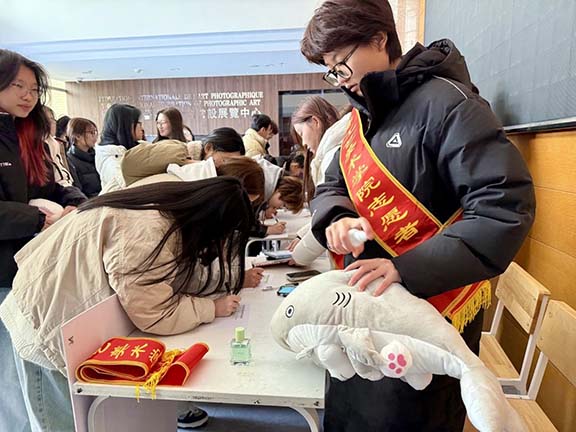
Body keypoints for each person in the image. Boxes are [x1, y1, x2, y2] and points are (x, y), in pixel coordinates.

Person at [301, 1, 536, 431]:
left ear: (379, 38)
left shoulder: (451, 105)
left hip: (429, 314)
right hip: (364, 304)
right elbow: (333, 186)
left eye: (341, 63)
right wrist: (337, 217)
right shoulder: (361, 117)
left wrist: (405, 268)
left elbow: (503, 206)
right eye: (330, 71)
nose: (341, 78)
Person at [0, 177, 257, 431]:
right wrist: (211, 308)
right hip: (42, 324)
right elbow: (155, 313)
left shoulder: (165, 212)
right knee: (60, 423)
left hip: (60, 315)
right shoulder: (147, 231)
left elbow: (170, 277)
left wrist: (230, 280)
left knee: (78, 417)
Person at [0, 48, 86, 432]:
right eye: (17, 85)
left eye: (34, 89)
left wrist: (76, 203)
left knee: (32, 363)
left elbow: (51, 184)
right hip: (5, 271)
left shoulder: (27, 134)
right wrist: (39, 218)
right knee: (11, 373)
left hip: (33, 266)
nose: (28, 95)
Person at [122, 126, 246, 186]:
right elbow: (129, 162)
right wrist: (194, 163)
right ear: (208, 148)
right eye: (226, 160)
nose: (228, 167)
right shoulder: (178, 149)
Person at [95, 103, 143, 193]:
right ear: (126, 127)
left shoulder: (124, 151)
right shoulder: (113, 164)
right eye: (138, 123)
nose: (141, 127)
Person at [66, 117, 102, 197]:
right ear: (78, 136)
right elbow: (78, 192)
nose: (95, 136)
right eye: (91, 132)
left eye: (95, 132)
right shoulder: (70, 161)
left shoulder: (97, 155)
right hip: (91, 202)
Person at [43, 106, 75, 187]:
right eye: (47, 120)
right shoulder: (47, 144)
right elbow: (59, 179)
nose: (52, 123)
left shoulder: (55, 143)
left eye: (53, 120)